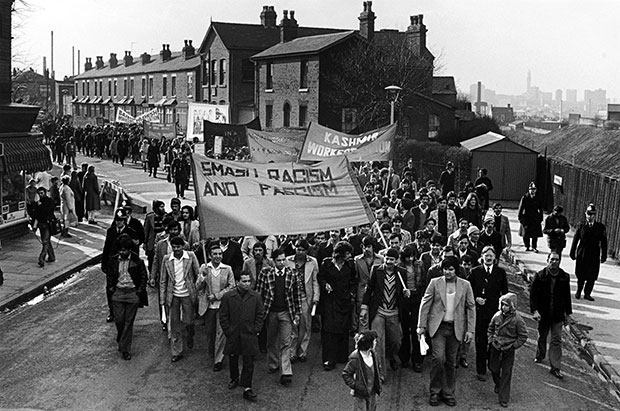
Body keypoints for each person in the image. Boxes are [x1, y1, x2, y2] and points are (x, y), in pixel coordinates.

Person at [417, 256, 475, 407]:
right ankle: (435, 391)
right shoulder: (435, 283)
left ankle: (448, 392)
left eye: (451, 269)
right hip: (439, 327)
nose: (447, 272)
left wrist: (470, 330)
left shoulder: (465, 285)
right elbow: (425, 303)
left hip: (456, 328)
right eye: (445, 269)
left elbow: (471, 307)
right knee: (438, 359)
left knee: (451, 361)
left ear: (456, 270)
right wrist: (421, 326)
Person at [360, 248, 409, 380]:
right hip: (379, 312)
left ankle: (391, 355)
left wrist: (406, 294)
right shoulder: (376, 270)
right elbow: (369, 289)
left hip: (394, 312)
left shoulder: (402, 273)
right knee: (378, 342)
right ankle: (380, 373)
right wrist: (364, 307)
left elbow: (403, 293)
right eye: (387, 258)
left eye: (392, 259)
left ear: (397, 260)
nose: (388, 261)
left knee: (396, 341)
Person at [256, 248, 302, 386]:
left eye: (283, 260)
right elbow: (259, 293)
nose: (281, 263)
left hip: (286, 312)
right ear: (273, 261)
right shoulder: (265, 273)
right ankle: (273, 363)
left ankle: (286, 371)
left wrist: (298, 313)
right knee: (271, 340)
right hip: (270, 312)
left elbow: (297, 295)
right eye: (278, 260)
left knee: (286, 342)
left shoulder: (292, 273)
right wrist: (259, 313)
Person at [219, 272, 265, 402]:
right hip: (234, 333)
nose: (247, 284)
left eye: (249, 281)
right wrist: (228, 331)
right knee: (233, 357)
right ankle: (234, 378)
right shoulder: (228, 297)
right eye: (244, 281)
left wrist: (256, 329)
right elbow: (223, 315)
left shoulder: (255, 296)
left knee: (249, 361)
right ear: (238, 282)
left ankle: (247, 387)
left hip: (249, 333)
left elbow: (260, 314)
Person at [467, 245, 508, 381]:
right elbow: (468, 291)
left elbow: (505, 294)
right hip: (479, 313)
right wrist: (475, 298)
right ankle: (481, 370)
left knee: (493, 341)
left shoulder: (500, 273)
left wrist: (503, 309)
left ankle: (491, 364)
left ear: (495, 257)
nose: (489, 258)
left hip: (495, 313)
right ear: (482, 257)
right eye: (486, 255)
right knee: (480, 341)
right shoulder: (475, 272)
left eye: (491, 255)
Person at [106, 234, 148, 361]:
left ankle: (125, 349)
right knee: (119, 320)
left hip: (132, 293)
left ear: (130, 250)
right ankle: (122, 337)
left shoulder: (137, 261)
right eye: (120, 250)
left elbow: (143, 277)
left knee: (129, 322)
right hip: (118, 293)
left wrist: (139, 291)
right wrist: (112, 290)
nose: (122, 252)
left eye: (124, 250)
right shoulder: (113, 260)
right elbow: (109, 277)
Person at [530, 252, 572, 379]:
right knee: (542, 336)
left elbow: (567, 296)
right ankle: (540, 354)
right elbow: (533, 295)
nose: (554, 262)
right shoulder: (540, 275)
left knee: (556, 340)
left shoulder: (564, 277)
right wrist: (535, 310)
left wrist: (568, 314)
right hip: (544, 314)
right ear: (547, 260)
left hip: (558, 314)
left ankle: (555, 367)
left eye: (557, 260)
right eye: (552, 259)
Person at [160, 236, 201, 362]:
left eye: (178, 247)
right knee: (174, 324)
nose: (176, 249)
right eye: (174, 247)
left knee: (189, 320)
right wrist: (162, 300)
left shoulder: (191, 256)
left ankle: (190, 333)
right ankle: (176, 351)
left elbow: (197, 273)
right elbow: (163, 280)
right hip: (173, 296)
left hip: (188, 294)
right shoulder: (167, 259)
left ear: (183, 246)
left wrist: (199, 286)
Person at [196, 243, 236, 372]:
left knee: (221, 333)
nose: (218, 256)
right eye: (215, 254)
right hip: (208, 307)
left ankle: (218, 360)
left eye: (220, 254)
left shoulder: (227, 269)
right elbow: (198, 287)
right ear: (209, 255)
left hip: (222, 306)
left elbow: (232, 287)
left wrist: (217, 296)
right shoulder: (204, 267)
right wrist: (202, 277)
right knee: (210, 332)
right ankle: (212, 353)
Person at [318, 241, 356, 371]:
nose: (349, 255)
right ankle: (329, 359)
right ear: (340, 253)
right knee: (329, 329)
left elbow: (353, 280)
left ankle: (341, 356)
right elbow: (321, 277)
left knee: (343, 328)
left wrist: (351, 293)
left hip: (344, 301)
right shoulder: (326, 263)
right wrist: (325, 284)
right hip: (330, 301)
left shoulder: (350, 265)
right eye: (347, 253)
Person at [487, 292, 528, 408]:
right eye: (502, 304)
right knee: (493, 368)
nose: (504, 307)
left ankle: (503, 397)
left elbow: (523, 336)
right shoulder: (496, 316)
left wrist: (514, 346)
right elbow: (490, 329)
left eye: (506, 305)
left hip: (508, 350)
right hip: (496, 347)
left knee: (506, 372)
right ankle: (498, 384)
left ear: (512, 306)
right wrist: (491, 340)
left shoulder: (518, 320)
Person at [102, 208, 139, 323]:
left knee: (125, 287)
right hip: (113, 266)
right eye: (117, 220)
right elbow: (106, 248)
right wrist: (104, 263)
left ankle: (125, 310)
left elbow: (135, 251)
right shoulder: (111, 231)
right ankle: (112, 312)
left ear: (125, 221)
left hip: (126, 265)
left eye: (121, 220)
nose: (119, 222)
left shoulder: (131, 232)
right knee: (110, 288)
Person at [286, 239, 320, 363]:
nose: (300, 252)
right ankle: (292, 352)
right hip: (292, 297)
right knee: (293, 326)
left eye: (303, 250)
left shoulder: (312, 261)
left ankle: (303, 351)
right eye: (298, 249)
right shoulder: (287, 260)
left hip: (306, 297)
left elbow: (315, 281)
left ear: (307, 251)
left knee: (306, 325)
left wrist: (316, 297)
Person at [569, 203, 607, 301]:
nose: (590, 216)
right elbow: (575, 239)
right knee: (581, 274)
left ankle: (587, 294)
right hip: (583, 253)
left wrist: (604, 255)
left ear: (595, 215)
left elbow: (604, 242)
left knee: (592, 275)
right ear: (585, 214)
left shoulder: (600, 227)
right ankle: (578, 291)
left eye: (592, 214)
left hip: (594, 254)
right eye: (588, 213)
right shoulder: (581, 225)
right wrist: (572, 252)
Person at [398, 246, 424, 372]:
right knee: (404, 330)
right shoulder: (399, 267)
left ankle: (417, 360)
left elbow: (423, 282)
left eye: (412, 256)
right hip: (404, 299)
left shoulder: (419, 265)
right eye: (407, 256)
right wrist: (402, 291)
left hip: (416, 297)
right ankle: (404, 358)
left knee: (416, 329)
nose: (410, 259)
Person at [342, 330, 382, 411]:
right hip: (360, 394)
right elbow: (346, 374)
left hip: (372, 392)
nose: (375, 343)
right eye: (374, 341)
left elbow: (378, 368)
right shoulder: (355, 358)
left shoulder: (374, 354)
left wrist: (379, 379)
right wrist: (356, 386)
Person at [353, 236, 384, 332]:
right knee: (363, 317)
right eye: (364, 247)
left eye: (369, 246)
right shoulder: (357, 260)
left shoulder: (381, 259)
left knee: (376, 317)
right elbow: (356, 277)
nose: (366, 249)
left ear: (373, 247)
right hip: (362, 290)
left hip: (377, 291)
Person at [32, 186, 56, 267]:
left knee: (45, 241)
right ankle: (52, 257)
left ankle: (41, 258)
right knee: (46, 240)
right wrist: (34, 226)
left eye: (42, 193)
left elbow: (49, 211)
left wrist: (40, 206)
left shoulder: (49, 201)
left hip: (48, 224)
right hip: (41, 224)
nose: (40, 195)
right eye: (39, 194)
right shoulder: (37, 202)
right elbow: (35, 215)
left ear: (45, 193)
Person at [517, 182, 543, 252]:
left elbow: (540, 209)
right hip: (527, 217)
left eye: (534, 189)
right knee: (526, 233)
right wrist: (520, 218)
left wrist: (541, 218)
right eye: (531, 189)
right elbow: (521, 209)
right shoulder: (525, 197)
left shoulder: (538, 197)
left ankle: (534, 247)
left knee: (535, 234)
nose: (532, 191)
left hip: (535, 217)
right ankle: (527, 246)